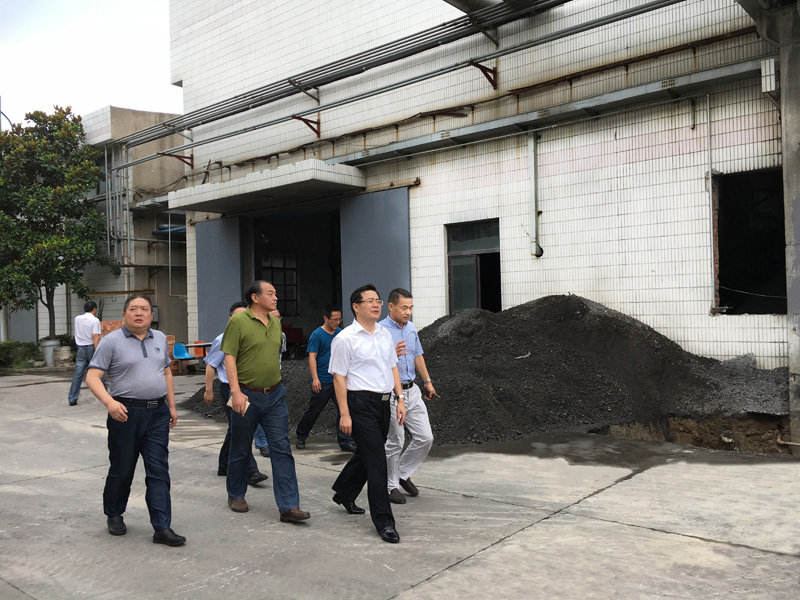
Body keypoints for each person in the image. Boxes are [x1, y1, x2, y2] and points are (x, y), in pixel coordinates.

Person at [86, 293, 185, 547]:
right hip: (125, 414)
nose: (139, 313)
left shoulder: (159, 338)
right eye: (133, 309)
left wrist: (172, 406)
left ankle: (162, 527)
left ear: (151, 315)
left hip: (158, 414)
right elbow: (93, 377)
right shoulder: (111, 342)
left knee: (158, 470)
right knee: (122, 468)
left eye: (144, 309)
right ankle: (114, 513)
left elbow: (166, 372)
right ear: (124, 315)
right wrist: (110, 403)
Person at [221, 280, 309, 523]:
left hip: (275, 395)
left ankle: (289, 506)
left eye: (276, 293)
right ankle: (236, 493)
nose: (276, 297)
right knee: (240, 447)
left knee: (282, 449)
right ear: (255, 297)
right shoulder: (238, 322)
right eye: (271, 293)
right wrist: (235, 392)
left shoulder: (275, 322)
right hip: (246, 395)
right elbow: (229, 358)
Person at [329, 284, 406, 543]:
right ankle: (385, 522)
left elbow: (393, 367)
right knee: (377, 462)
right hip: (360, 404)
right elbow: (339, 378)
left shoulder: (384, 334)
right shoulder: (345, 338)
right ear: (356, 306)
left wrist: (400, 399)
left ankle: (344, 491)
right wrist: (344, 414)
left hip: (383, 403)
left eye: (378, 301)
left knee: (367, 454)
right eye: (370, 301)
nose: (376, 305)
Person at [380, 288, 436, 504]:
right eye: (404, 307)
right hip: (392, 393)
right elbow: (372, 363)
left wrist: (427, 381)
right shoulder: (380, 331)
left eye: (411, 307)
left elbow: (417, 355)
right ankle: (391, 486)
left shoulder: (411, 328)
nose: (408, 312)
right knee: (396, 441)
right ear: (391, 306)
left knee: (425, 437)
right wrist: (391, 354)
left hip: (412, 390)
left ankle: (402, 473)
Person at [203, 302, 268, 486]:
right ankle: (251, 471)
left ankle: (224, 465)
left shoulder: (251, 337)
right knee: (242, 429)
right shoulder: (222, 339)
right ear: (230, 319)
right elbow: (210, 365)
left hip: (248, 388)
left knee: (235, 428)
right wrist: (208, 390)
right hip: (230, 390)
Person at [295, 305, 357, 452]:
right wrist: (315, 378)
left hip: (338, 381)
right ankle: (301, 436)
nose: (337, 322)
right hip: (323, 381)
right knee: (313, 411)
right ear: (325, 318)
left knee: (343, 410)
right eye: (334, 319)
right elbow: (312, 357)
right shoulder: (317, 335)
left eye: (339, 319)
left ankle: (345, 441)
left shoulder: (341, 333)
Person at [67, 301, 101, 406]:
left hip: (81, 348)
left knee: (78, 374)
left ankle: (72, 398)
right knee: (98, 371)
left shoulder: (77, 318)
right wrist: (97, 350)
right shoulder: (95, 320)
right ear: (94, 309)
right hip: (91, 347)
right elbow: (95, 336)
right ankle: (104, 394)